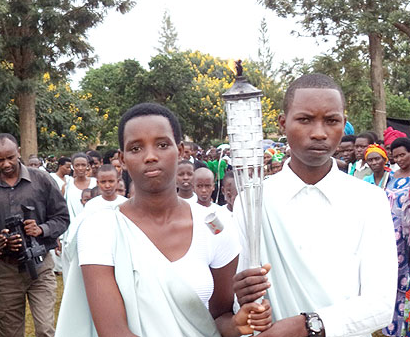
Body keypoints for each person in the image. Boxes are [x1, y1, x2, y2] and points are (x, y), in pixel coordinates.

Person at [56, 103, 271, 337]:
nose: (150, 156)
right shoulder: (99, 229)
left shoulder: (214, 225)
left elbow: (219, 318)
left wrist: (238, 324)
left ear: (179, 151)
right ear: (123, 159)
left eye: (162, 145)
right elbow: (113, 331)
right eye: (136, 148)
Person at [233, 74, 397, 337]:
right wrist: (243, 296)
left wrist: (308, 326)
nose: (319, 133)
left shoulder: (369, 200)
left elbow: (381, 304)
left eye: (331, 121)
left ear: (344, 125)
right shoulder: (253, 201)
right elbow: (243, 307)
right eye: (305, 119)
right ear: (283, 123)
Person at [0, 133, 70, 337]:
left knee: (45, 329)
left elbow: (62, 217)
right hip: (6, 270)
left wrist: (41, 229)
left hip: (41, 265)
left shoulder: (41, 180)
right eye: (0, 160)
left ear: (18, 152)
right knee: (9, 332)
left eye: (10, 157)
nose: (6, 163)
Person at [383, 137, 410, 336]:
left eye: (403, 154)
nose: (399, 159)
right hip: (391, 239)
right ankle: (392, 328)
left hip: (407, 240)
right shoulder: (391, 176)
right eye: (395, 156)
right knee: (392, 282)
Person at [63, 153, 97, 220]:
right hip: (73, 226)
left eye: (83, 165)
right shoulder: (67, 186)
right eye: (77, 165)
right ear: (72, 166)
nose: (80, 168)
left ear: (87, 166)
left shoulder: (95, 183)